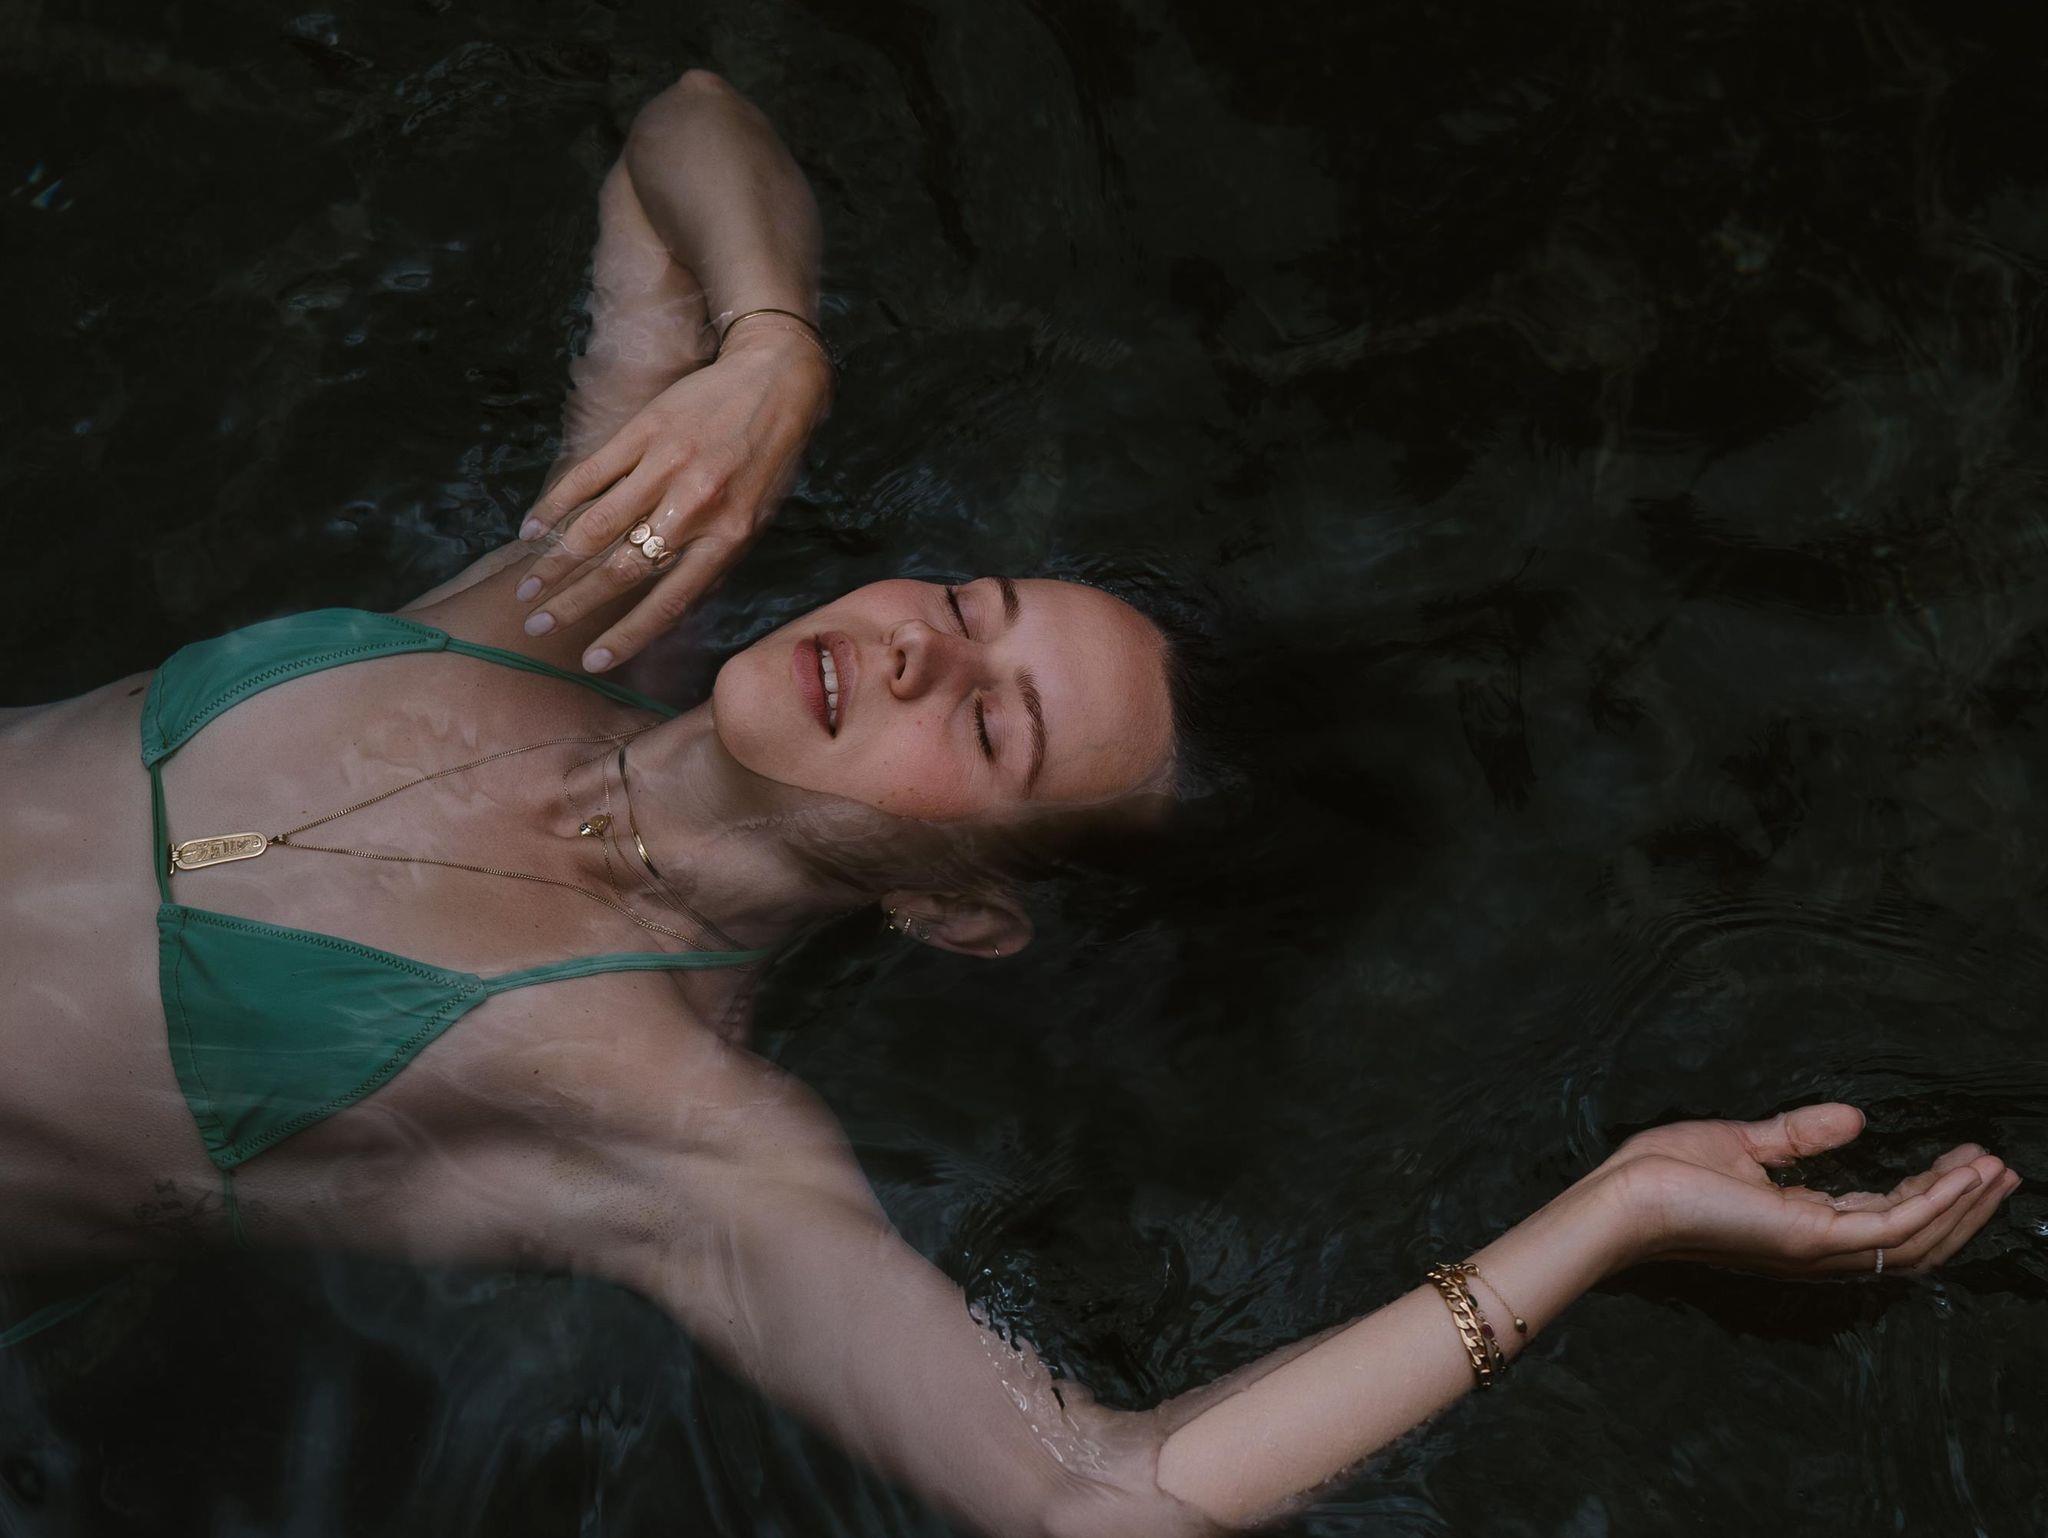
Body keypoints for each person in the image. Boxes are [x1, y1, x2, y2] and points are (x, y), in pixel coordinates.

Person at [0, 69, 2021, 1537]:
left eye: (990, 731)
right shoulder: (581, 598)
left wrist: (1610, 1216)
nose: (912, 652)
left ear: (960, 907)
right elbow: (678, 134)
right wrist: (775, 350)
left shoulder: (674, 1124)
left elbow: (1100, 1497)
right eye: (967, 608)